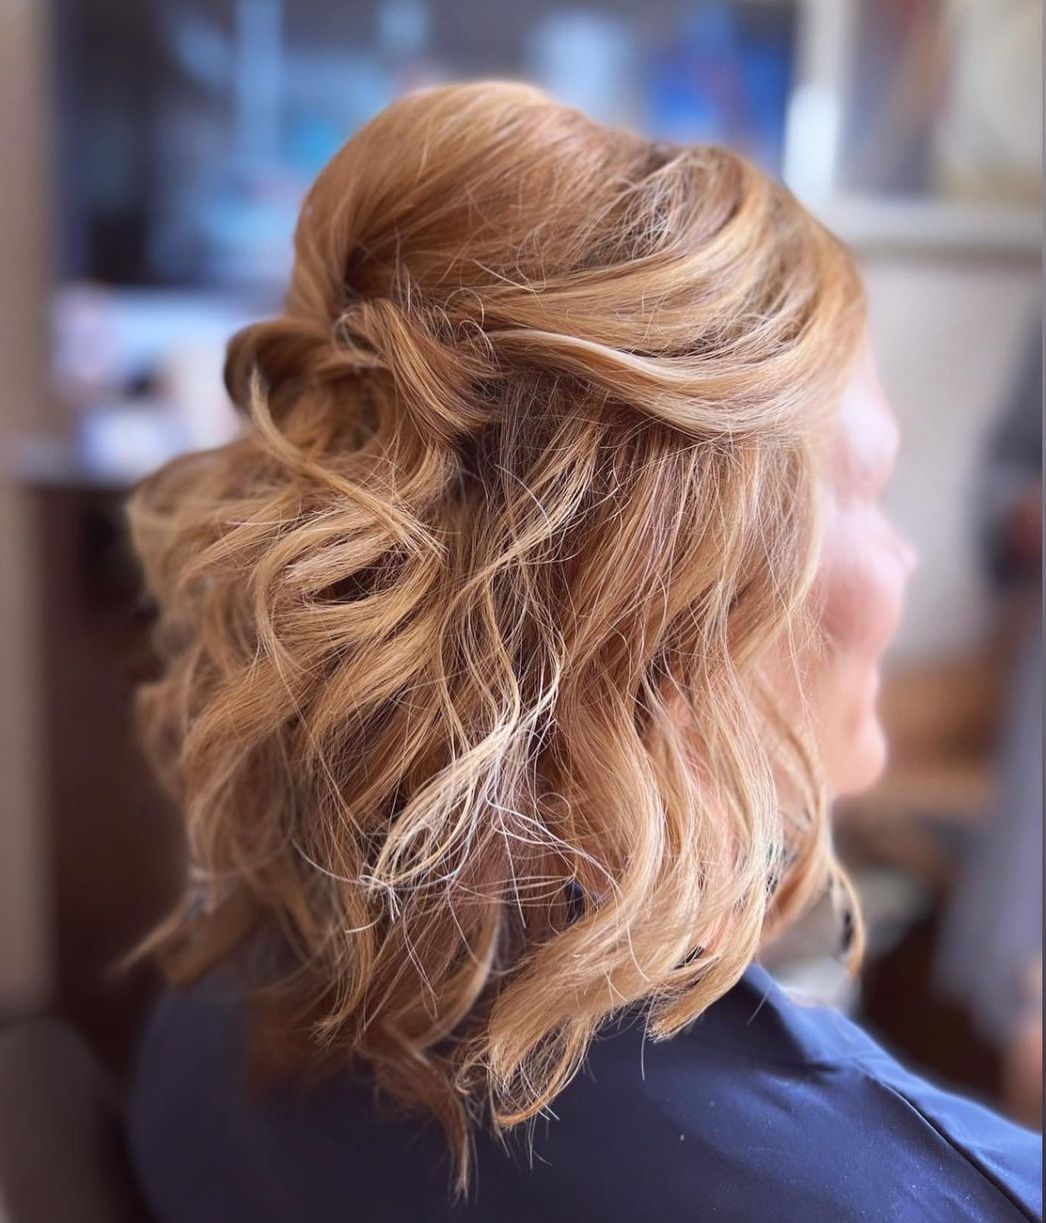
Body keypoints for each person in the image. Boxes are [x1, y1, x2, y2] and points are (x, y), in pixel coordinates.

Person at [125, 83, 1041, 1221]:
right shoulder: (890, 1195)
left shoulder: (210, 994)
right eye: (864, 486)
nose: (904, 556)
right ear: (669, 592)